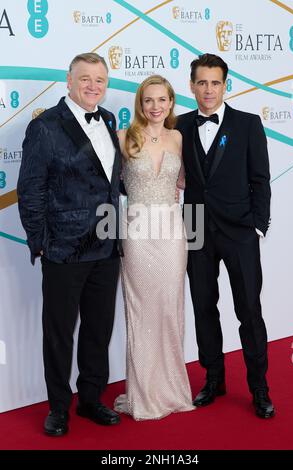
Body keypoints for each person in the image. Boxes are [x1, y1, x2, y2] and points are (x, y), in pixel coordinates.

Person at [17, 52, 122, 436]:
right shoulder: (45, 126)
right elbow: (30, 190)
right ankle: (59, 407)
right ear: (69, 80)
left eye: (100, 80)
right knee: (59, 332)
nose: (93, 86)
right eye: (85, 79)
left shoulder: (109, 120)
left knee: (99, 327)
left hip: (108, 245)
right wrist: (41, 243)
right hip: (64, 248)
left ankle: (91, 398)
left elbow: (110, 179)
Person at [176, 53, 275, 418]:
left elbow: (260, 179)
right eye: (201, 82)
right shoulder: (178, 126)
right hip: (197, 230)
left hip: (239, 232)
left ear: (225, 85)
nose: (208, 89)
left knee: (249, 311)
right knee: (204, 308)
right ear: (191, 86)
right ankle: (213, 379)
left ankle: (259, 388)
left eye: (215, 82)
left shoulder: (248, 124)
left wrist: (257, 226)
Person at [114, 75, 195, 420]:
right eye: (149, 100)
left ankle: (173, 389)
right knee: (141, 309)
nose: (155, 107)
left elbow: (185, 181)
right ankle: (143, 393)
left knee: (170, 308)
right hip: (137, 229)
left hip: (172, 229)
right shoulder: (122, 137)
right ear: (140, 104)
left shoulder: (178, 137)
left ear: (172, 103)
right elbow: (108, 184)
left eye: (162, 100)